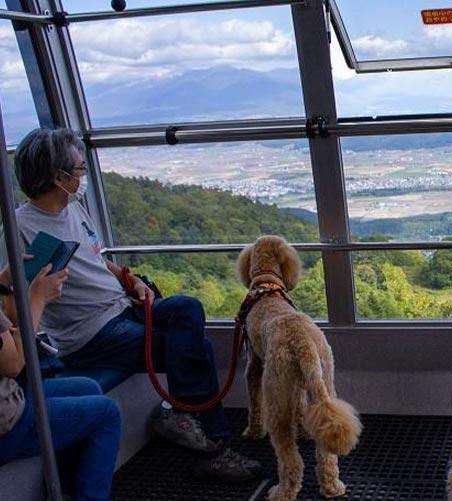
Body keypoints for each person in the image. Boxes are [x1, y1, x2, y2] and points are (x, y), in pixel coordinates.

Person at [3, 127, 260, 482]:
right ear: (58, 177)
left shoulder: (72, 207)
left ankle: (185, 418)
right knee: (194, 346)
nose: (83, 176)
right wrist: (40, 293)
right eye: (79, 170)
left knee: (188, 307)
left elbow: (95, 259)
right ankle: (208, 439)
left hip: (121, 306)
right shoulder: (22, 229)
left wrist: (130, 279)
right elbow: (13, 304)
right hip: (90, 333)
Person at [0, 262, 121, 501]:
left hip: (10, 397)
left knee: (87, 388)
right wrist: (37, 299)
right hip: (7, 423)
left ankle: (66, 490)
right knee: (107, 414)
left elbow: (9, 326)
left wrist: (4, 282)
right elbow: (13, 364)